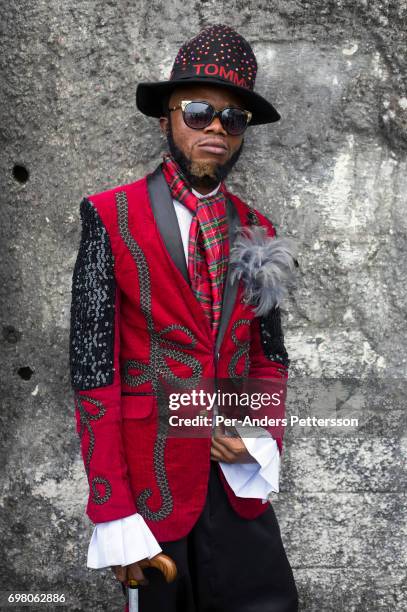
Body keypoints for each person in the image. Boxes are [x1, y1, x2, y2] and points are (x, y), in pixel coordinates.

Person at [69, 24, 299, 612]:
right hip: (151, 486)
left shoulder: (258, 229)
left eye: (234, 117)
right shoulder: (109, 215)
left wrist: (259, 437)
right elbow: (93, 373)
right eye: (199, 112)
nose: (217, 127)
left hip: (233, 482)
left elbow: (267, 356)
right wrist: (112, 509)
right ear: (167, 118)